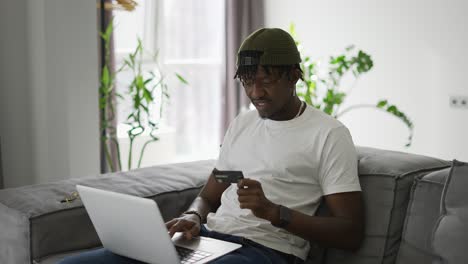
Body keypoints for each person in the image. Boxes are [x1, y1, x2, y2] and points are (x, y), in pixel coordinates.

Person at [58, 28, 363, 264]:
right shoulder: (243, 124)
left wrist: (275, 212)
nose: (255, 92)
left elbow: (350, 232)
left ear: (294, 75)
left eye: (266, 80)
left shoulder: (329, 134)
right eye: (246, 81)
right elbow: (209, 195)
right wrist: (194, 217)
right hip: (207, 240)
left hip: (266, 252)